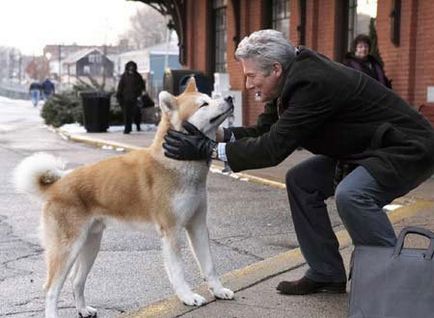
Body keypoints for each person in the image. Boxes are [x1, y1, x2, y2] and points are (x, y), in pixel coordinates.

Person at [163, 29, 434, 296]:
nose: (248, 85)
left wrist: (207, 149)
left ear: (276, 69)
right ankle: (326, 272)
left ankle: (398, 282)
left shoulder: (311, 84)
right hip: (366, 148)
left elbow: (273, 148)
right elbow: (264, 131)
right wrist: (215, 135)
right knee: (301, 181)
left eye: (251, 76)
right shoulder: (289, 79)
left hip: (405, 147)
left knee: (352, 195)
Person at [116, 61, 146, 134]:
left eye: (132, 66)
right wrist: (119, 95)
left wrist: (139, 94)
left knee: (136, 113)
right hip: (126, 98)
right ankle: (127, 128)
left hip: (135, 98)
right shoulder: (124, 76)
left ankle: (137, 125)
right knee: (127, 114)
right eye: (129, 66)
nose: (131, 68)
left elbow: (142, 86)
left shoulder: (138, 76)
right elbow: (120, 87)